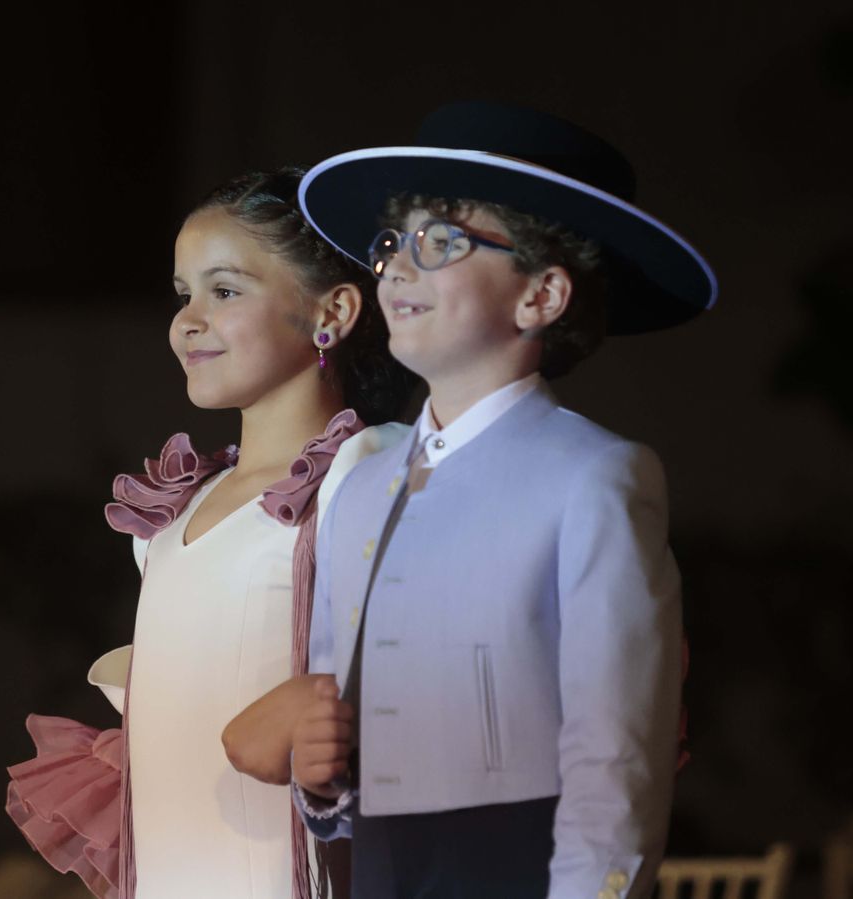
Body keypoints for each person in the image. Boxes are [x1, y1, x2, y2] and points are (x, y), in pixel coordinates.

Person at [287, 102, 715, 899]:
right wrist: (321, 778)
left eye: (441, 241)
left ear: (542, 295)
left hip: (520, 859)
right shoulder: (360, 488)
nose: (400, 268)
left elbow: (614, 751)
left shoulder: (593, 474)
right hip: (385, 866)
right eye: (392, 244)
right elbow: (337, 720)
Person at [5, 167, 418, 898]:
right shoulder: (170, 515)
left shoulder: (361, 473)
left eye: (224, 290)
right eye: (183, 293)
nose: (189, 318)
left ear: (334, 312)